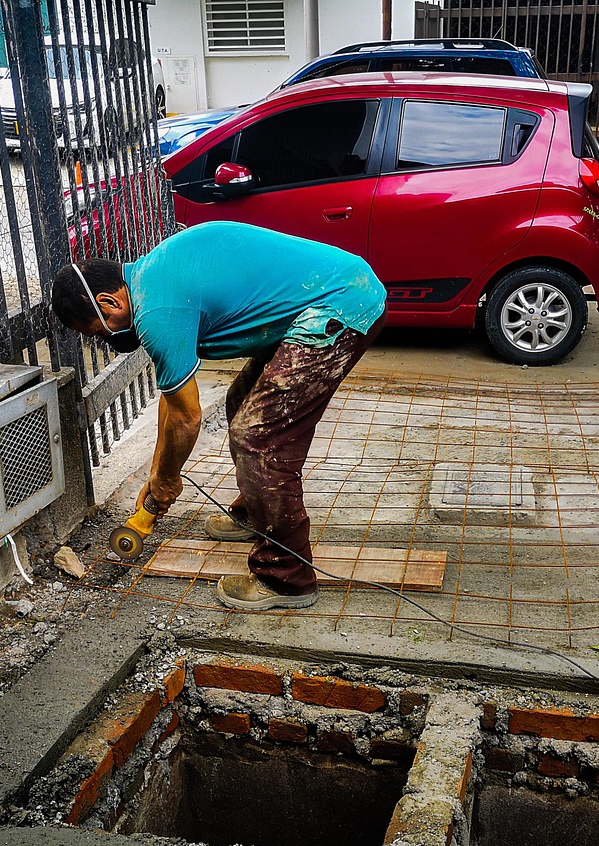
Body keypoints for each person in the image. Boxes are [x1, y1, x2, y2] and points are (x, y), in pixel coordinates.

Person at [50, 221, 386, 611]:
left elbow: (187, 418)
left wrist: (166, 480)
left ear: (110, 304)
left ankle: (286, 577)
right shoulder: (150, 275)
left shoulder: (156, 310)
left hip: (342, 306)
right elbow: (172, 402)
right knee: (241, 401)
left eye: (97, 332)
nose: (105, 340)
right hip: (328, 292)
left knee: (257, 437)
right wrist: (158, 475)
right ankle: (258, 517)